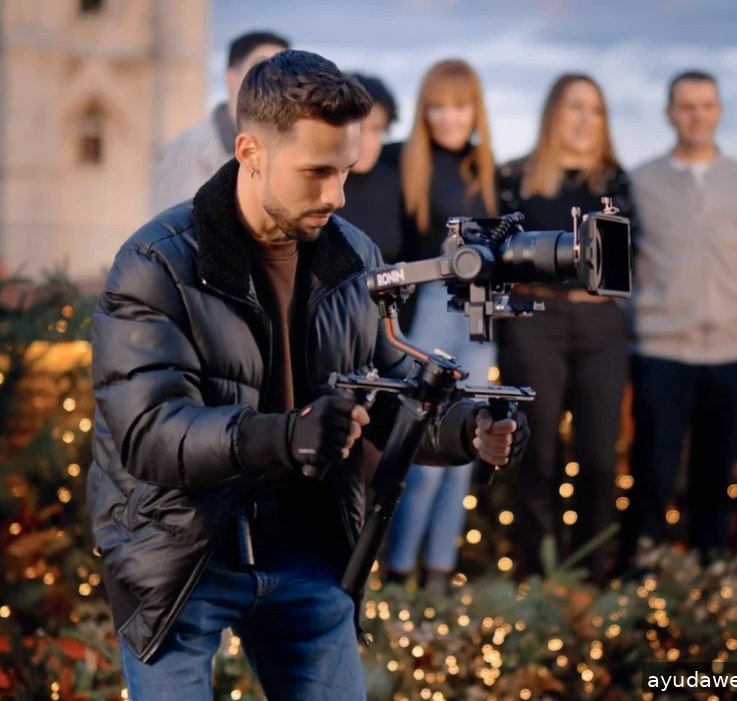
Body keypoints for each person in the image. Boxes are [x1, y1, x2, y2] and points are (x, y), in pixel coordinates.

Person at [87, 50, 530, 701]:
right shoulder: (155, 262)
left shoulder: (353, 254)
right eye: (317, 172)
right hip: (182, 551)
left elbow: (392, 396)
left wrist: (468, 431)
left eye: (345, 170)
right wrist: (287, 435)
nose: (336, 195)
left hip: (309, 551)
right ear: (250, 152)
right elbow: (150, 434)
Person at [621, 70, 737, 568]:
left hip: (733, 355)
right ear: (669, 114)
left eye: (706, 105)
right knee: (652, 477)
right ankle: (641, 582)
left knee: (716, 482)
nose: (697, 115)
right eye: (686, 106)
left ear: (719, 111)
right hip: (660, 353)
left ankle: (710, 583)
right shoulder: (641, 183)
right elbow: (619, 272)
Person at [495, 73, 637, 587]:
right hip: (537, 320)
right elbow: (499, 254)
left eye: (594, 109)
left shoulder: (616, 183)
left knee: (599, 459)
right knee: (538, 456)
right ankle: (538, 579)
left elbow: (632, 257)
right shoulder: (515, 178)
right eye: (575, 107)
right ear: (553, 113)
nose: (584, 119)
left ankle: (590, 579)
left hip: (601, 323)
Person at [382, 60, 499, 598]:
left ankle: (439, 574)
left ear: (476, 110)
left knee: (467, 445)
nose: (449, 118)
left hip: (481, 313)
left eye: (460, 106)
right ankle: (399, 570)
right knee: (426, 450)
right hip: (430, 307)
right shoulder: (403, 163)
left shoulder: (488, 171)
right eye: (438, 107)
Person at [151, 30, 290, 214]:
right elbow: (173, 226)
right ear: (231, 78)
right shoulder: (192, 149)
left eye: (283, 73)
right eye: (261, 71)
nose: (273, 82)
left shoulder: (284, 147)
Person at [337, 73, 405, 265]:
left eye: (377, 129)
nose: (366, 143)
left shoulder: (395, 183)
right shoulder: (318, 185)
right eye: (358, 129)